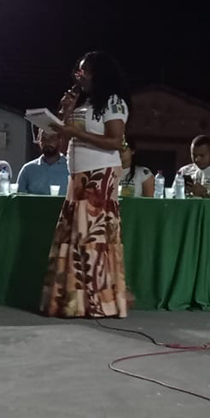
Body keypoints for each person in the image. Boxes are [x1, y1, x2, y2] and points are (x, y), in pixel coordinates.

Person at [41, 51, 130, 318]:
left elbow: (116, 141)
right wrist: (64, 113)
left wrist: (78, 132)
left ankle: (100, 302)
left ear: (100, 74)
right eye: (78, 71)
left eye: (85, 71)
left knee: (94, 237)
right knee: (75, 237)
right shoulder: (81, 103)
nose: (79, 76)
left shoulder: (113, 102)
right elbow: (61, 142)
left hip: (99, 173)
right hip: (78, 175)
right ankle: (74, 300)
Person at [16, 129, 70, 195]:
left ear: (60, 140)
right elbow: (18, 198)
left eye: (51, 138)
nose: (47, 142)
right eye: (43, 138)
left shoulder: (70, 169)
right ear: (39, 141)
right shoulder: (28, 170)